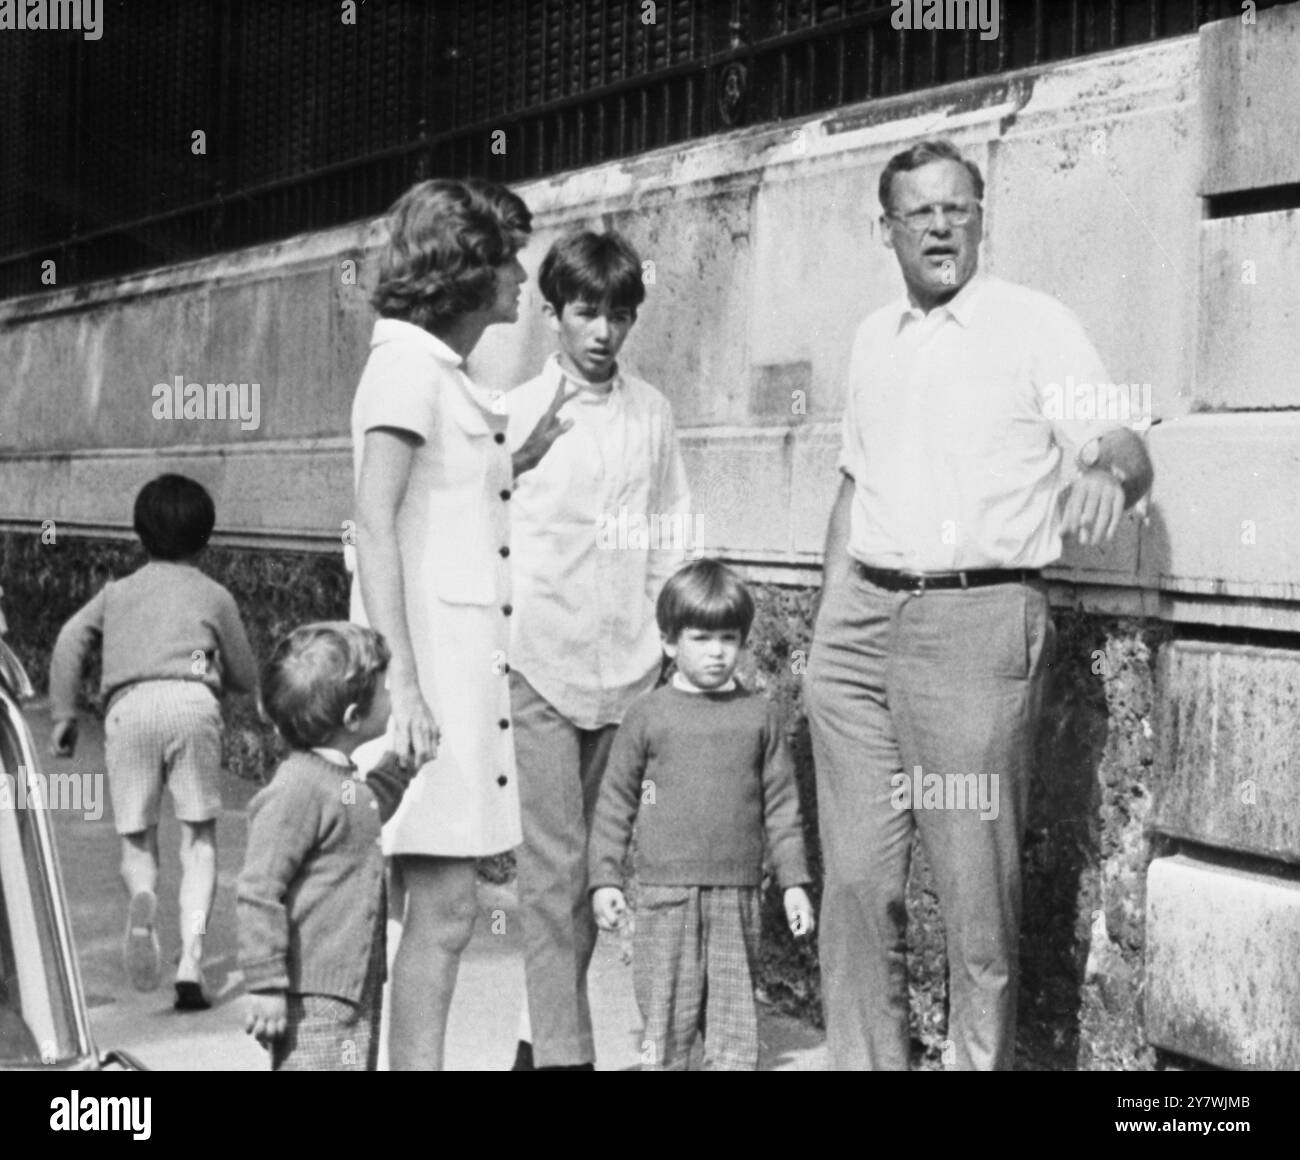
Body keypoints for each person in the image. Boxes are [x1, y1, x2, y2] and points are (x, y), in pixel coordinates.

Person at [806, 138, 1155, 1071]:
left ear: (981, 219)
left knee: (974, 897)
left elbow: (1122, 439)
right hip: (857, 633)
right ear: (887, 230)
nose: (939, 225)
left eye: (957, 208)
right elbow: (854, 483)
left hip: (975, 626)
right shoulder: (872, 338)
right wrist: (828, 630)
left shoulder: (1033, 325)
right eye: (919, 212)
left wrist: (1107, 475)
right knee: (855, 888)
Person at [350, 177, 571, 1070]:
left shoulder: (439, 371)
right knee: (438, 913)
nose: (523, 278)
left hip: (454, 680)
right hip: (428, 682)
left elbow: (443, 499)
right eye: (505, 259)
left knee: (436, 915)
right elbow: (375, 520)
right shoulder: (406, 366)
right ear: (464, 270)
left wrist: (526, 449)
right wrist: (402, 685)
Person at [504, 228, 692, 1071]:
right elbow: (484, 522)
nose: (603, 332)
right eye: (586, 312)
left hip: (627, 667)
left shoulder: (652, 414)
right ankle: (563, 1059)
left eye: (620, 314)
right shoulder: (514, 413)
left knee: (596, 870)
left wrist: (672, 652)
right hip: (539, 662)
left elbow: (672, 536)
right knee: (549, 872)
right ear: (554, 315)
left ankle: (537, 1040)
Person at [588, 559, 814, 1071]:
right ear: (669, 642)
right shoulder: (647, 715)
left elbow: (781, 807)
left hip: (736, 895)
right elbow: (615, 802)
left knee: (733, 1026)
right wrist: (604, 879)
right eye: (701, 637)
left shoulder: (759, 716)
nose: (717, 651)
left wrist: (794, 882)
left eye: (729, 638)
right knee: (665, 1019)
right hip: (665, 894)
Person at [48, 473, 258, 1009]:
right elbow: (244, 673)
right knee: (198, 841)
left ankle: (143, 896)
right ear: (206, 537)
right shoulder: (214, 595)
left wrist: (64, 714)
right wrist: (230, 682)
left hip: (129, 709)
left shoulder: (116, 593)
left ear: (138, 534)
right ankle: (190, 958)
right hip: (191, 705)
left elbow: (71, 638)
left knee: (138, 842)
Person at [238, 622, 412, 1071]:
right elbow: (259, 889)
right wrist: (265, 983)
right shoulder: (297, 789)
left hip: (353, 986)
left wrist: (402, 766)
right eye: (385, 690)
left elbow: (367, 808)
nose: (393, 697)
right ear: (353, 718)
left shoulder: (337, 779)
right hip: (311, 993)